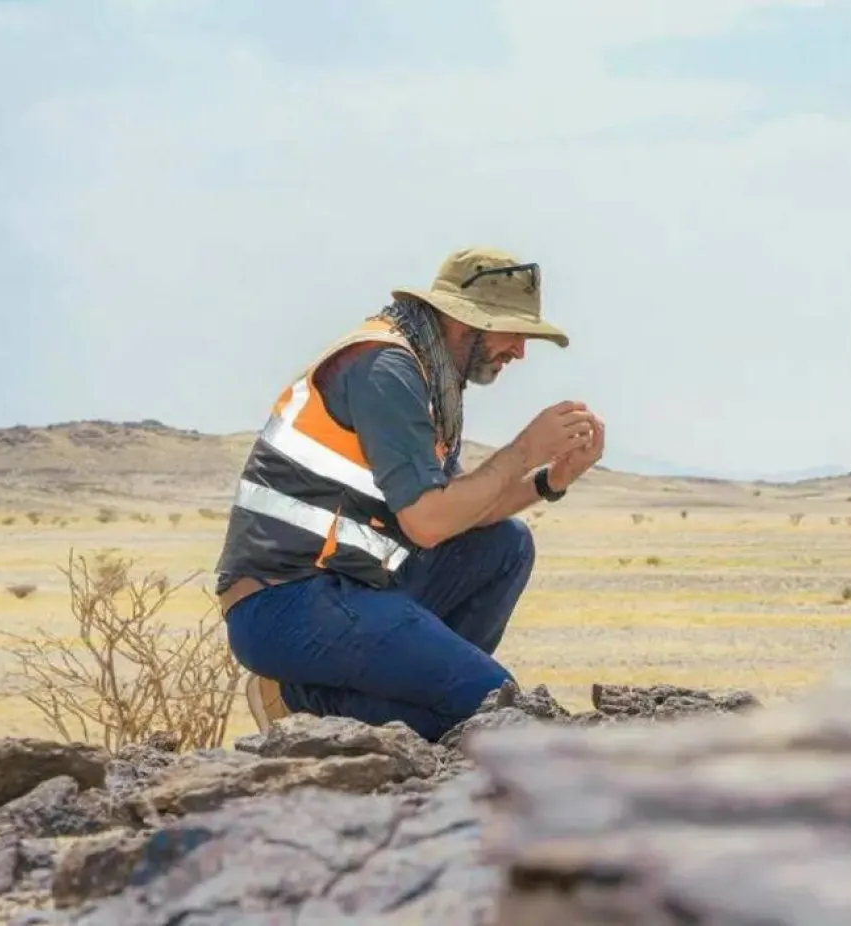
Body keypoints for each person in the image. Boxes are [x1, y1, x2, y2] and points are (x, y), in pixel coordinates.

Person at [212, 245, 605, 742]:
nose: (521, 352)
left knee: (507, 545)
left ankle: (419, 699)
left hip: (349, 589)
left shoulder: (426, 375)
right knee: (490, 703)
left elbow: (461, 511)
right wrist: (526, 450)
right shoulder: (385, 368)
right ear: (467, 322)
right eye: (516, 333)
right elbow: (429, 523)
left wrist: (552, 480)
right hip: (286, 600)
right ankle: (301, 702)